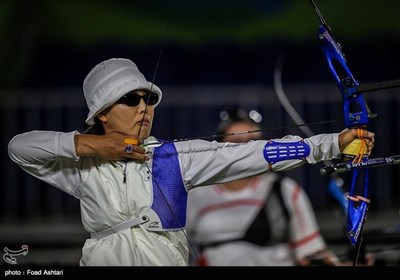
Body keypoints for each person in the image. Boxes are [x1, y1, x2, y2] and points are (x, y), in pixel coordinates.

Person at [7, 58, 375, 266]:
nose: (143, 109)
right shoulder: (81, 167)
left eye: (147, 99)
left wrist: (331, 143)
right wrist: (93, 146)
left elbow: (249, 153)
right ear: (102, 114)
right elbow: (19, 147)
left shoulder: (171, 157)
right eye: (130, 101)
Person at [186, 110, 341, 266]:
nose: (245, 150)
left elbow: (311, 252)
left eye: (253, 142)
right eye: (236, 143)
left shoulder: (285, 190)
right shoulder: (196, 195)